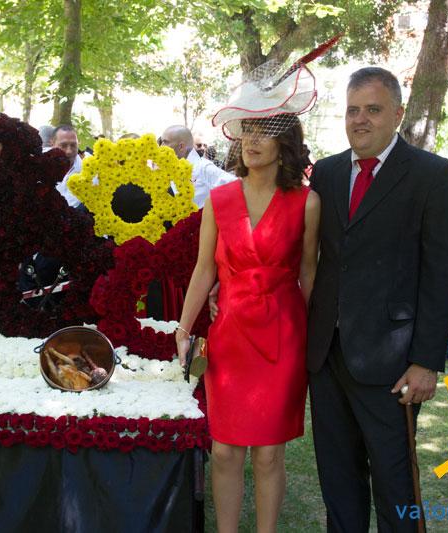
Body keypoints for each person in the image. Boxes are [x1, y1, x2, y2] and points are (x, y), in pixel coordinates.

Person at [306, 67, 448, 532]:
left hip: (392, 360)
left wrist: (426, 361)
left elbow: (442, 274)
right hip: (327, 354)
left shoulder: (432, 174)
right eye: (352, 110)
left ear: (397, 113)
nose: (360, 120)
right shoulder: (327, 173)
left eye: (372, 110)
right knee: (338, 478)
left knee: (395, 482)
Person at [177, 55, 321, 531]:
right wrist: (184, 328)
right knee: (223, 451)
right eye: (247, 131)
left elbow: (309, 276)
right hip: (231, 335)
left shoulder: (307, 203)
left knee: (269, 454)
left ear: (285, 143)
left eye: (264, 132)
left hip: (284, 336)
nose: (252, 141)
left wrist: (315, 339)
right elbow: (203, 270)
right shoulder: (218, 200)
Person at [160, 125, 236, 208]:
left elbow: (235, 185)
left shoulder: (203, 167)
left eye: (165, 142)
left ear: (181, 146)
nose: (161, 146)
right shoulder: (172, 170)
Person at [50, 124, 83, 207]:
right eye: (63, 146)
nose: (69, 151)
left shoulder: (89, 173)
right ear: (52, 144)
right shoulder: (40, 169)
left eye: (73, 145)